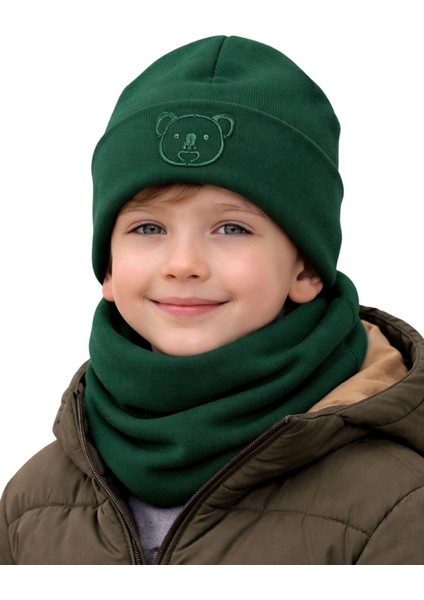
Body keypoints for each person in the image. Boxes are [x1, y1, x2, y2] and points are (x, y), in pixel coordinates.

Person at [1, 35, 424, 565]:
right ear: (107, 267)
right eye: (148, 227)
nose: (183, 264)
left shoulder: (395, 503)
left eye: (231, 228)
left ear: (307, 268)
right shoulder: (30, 503)